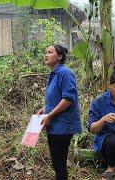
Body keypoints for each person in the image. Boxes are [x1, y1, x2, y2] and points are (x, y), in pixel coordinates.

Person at [36, 45, 82, 180]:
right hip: (55, 125)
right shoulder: (54, 74)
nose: (46, 55)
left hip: (63, 126)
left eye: (50, 52)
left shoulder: (65, 73)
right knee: (57, 163)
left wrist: (50, 115)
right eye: (46, 52)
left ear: (60, 57)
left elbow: (68, 99)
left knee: (59, 163)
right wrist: (45, 109)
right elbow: (57, 98)